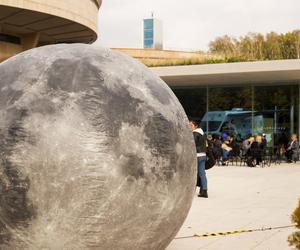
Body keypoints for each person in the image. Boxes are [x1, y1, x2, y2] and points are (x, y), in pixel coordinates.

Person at [190, 120, 208, 198]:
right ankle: (204, 190)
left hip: (196, 155)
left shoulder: (195, 133)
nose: (189, 127)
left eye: (191, 125)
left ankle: (191, 189)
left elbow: (191, 144)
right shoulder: (202, 133)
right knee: (202, 173)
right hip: (203, 155)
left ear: (196, 126)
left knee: (192, 173)